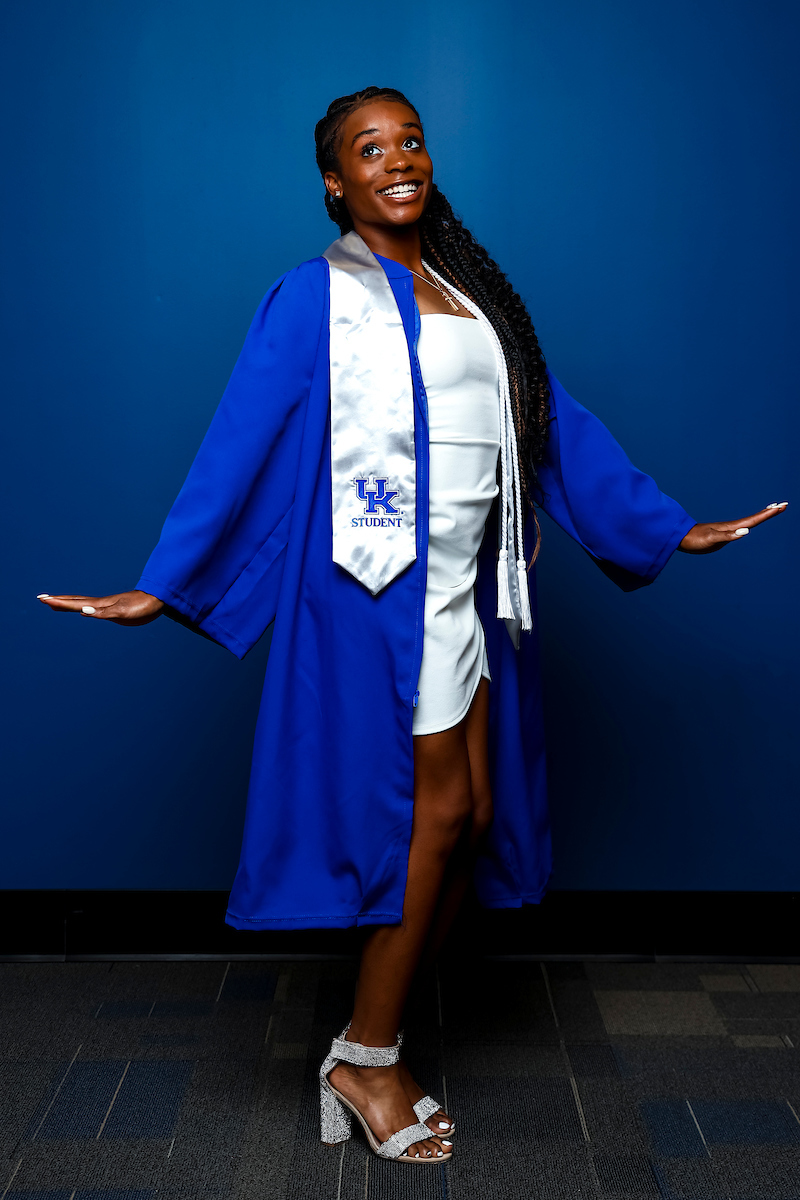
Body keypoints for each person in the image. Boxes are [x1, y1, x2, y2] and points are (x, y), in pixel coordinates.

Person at [38, 87, 787, 1165]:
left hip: (477, 588)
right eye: (368, 148)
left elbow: (547, 420)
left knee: (472, 814)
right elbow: (241, 436)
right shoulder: (313, 297)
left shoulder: (471, 294)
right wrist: (166, 582)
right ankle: (367, 1054)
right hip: (384, 595)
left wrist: (665, 529)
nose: (398, 159)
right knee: (432, 817)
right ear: (334, 181)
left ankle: (365, 1038)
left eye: (410, 140)